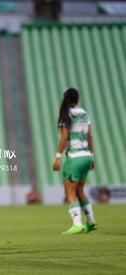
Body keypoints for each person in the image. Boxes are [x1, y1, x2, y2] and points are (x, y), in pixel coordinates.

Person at [52, 88, 97, 235]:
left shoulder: (65, 115)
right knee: (80, 190)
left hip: (74, 157)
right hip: (85, 156)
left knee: (69, 191)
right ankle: (90, 221)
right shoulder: (84, 113)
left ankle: (77, 223)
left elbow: (64, 136)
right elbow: (89, 136)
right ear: (77, 99)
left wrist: (58, 157)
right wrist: (92, 156)